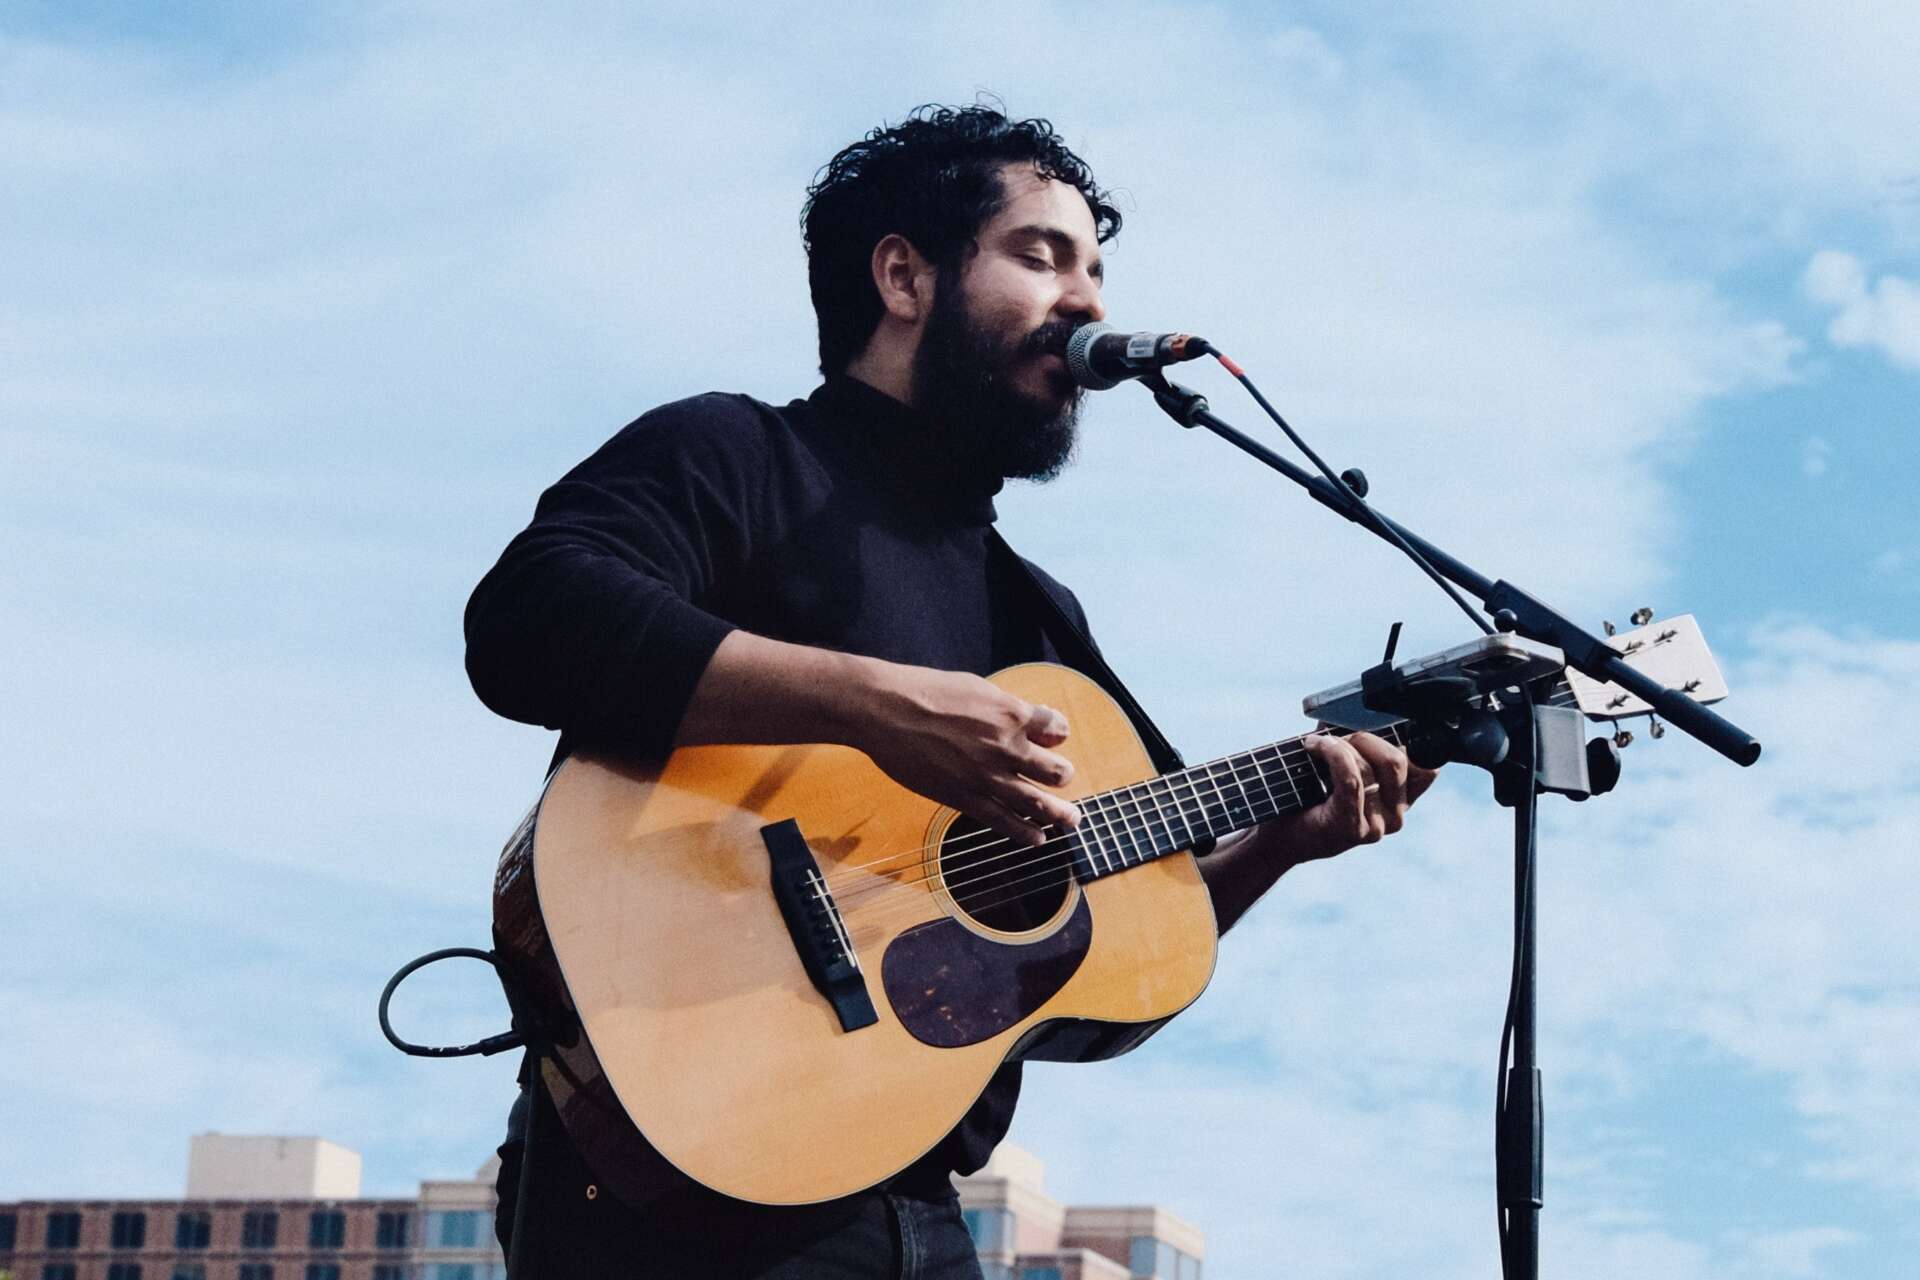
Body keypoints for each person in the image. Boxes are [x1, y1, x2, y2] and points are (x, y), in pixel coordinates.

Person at [465, 103, 1435, 1279]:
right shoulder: (736, 456)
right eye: (1041, 255)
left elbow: (1097, 965)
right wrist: (874, 705)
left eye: (1096, 270)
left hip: (914, 1203)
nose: (1088, 302)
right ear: (903, 275)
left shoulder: (1036, 615)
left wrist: (1285, 840)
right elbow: (527, 621)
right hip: (672, 1177)